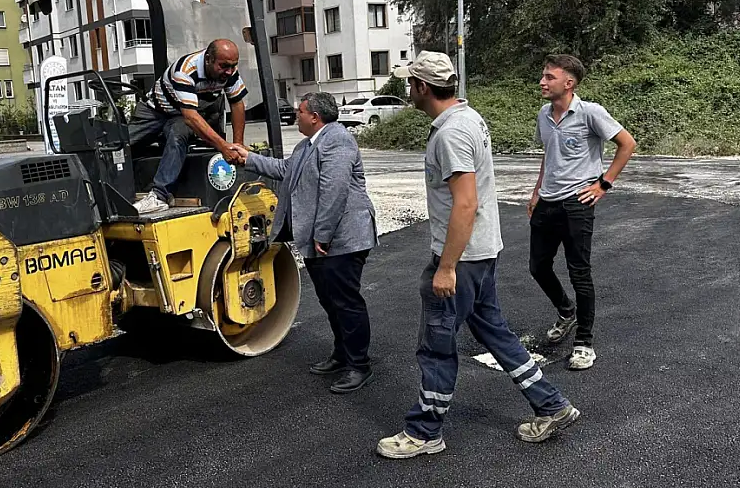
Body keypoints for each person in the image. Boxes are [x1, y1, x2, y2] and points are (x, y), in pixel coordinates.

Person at [376, 51, 580, 460]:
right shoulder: (468, 118)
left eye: (409, 84)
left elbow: (465, 203)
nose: (408, 90)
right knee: (494, 332)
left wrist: (446, 266)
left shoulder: (451, 133)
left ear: (421, 87)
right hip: (481, 252)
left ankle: (424, 431)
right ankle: (552, 405)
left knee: (436, 342)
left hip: (463, 258)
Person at [228, 92, 379, 394]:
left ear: (315, 117)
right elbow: (285, 171)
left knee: (346, 302)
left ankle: (359, 365)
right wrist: (248, 157)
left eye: (300, 111)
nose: (296, 116)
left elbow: (333, 190)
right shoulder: (306, 145)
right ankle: (342, 353)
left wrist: (322, 234)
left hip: (341, 238)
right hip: (320, 240)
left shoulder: (337, 139)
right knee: (330, 300)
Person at [527, 54, 637, 371]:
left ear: (568, 83)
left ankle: (584, 342)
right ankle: (566, 311)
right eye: (543, 76)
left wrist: (603, 184)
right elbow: (549, 156)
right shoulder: (543, 116)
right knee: (537, 267)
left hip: (578, 204)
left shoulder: (591, 113)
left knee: (579, 272)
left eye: (549, 77)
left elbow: (627, 144)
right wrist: (536, 192)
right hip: (547, 203)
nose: (543, 82)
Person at [129, 39, 248, 214]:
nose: (229, 71)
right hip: (155, 111)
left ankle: (159, 195)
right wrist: (223, 146)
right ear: (208, 59)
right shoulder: (185, 71)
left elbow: (237, 104)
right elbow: (191, 117)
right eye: (223, 66)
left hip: (180, 114)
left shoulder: (230, 73)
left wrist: (237, 145)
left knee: (179, 132)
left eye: (233, 66)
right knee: (120, 144)